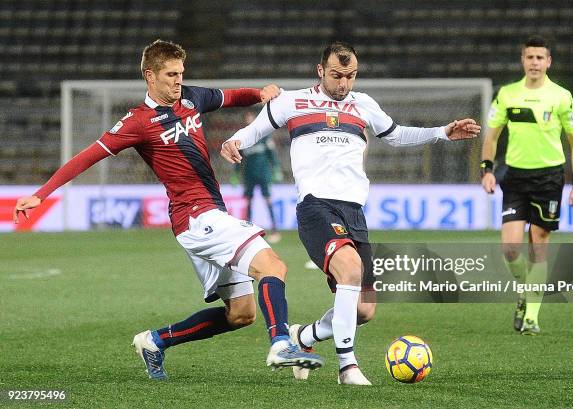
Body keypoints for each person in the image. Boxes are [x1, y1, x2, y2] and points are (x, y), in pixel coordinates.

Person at [13, 39, 322, 380]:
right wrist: (41, 194)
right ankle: (281, 343)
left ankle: (155, 341)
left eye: (181, 73)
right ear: (150, 76)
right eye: (171, 74)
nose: (178, 80)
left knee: (241, 314)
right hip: (196, 216)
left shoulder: (191, 97)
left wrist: (259, 93)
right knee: (272, 265)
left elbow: (230, 97)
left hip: (205, 216)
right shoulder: (137, 122)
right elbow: (88, 156)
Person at [221, 41, 480, 385]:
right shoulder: (293, 102)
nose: (343, 83)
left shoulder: (364, 104)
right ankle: (348, 367)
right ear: (320, 71)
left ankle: (305, 337)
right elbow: (254, 131)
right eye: (336, 75)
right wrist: (234, 142)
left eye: (350, 76)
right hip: (317, 206)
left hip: (354, 213)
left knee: (364, 310)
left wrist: (442, 133)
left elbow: (396, 134)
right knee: (351, 270)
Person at [480, 35, 573, 335]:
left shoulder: (562, 97)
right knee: (510, 248)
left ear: (548, 61)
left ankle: (531, 317)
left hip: (550, 177)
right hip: (515, 177)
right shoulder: (508, 94)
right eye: (530, 57)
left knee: (539, 246)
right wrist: (486, 170)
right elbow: (491, 136)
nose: (535, 62)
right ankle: (526, 289)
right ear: (523, 60)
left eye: (540, 57)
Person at [232, 111, 283, 243]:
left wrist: (276, 169)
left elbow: (272, 155)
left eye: (251, 117)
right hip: (249, 174)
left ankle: (275, 230)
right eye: (247, 118)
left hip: (263, 173)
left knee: (268, 200)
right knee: (249, 201)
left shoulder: (264, 137)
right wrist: (235, 173)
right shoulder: (243, 139)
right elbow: (239, 157)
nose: (249, 120)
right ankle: (247, 232)